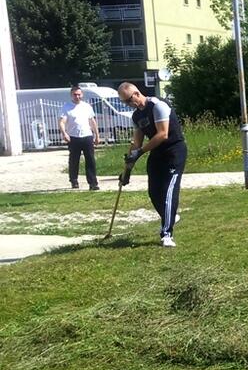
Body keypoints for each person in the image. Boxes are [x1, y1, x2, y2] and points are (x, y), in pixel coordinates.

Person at [117, 83, 187, 248]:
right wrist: (127, 170)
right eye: (124, 102)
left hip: (174, 151)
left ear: (136, 93)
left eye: (128, 100)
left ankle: (166, 234)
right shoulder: (136, 117)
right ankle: (169, 215)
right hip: (157, 153)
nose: (128, 104)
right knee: (154, 191)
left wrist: (140, 152)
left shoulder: (158, 105)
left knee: (169, 191)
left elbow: (162, 134)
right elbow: (137, 142)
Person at [59, 85, 100, 190]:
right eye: (75, 94)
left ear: (82, 95)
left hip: (87, 136)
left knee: (90, 160)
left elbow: (92, 121)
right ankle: (74, 180)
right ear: (71, 95)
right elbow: (62, 122)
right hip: (73, 137)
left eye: (79, 94)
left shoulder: (87, 106)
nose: (77, 96)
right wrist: (64, 133)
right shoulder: (66, 107)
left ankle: (93, 183)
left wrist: (97, 135)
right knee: (74, 160)